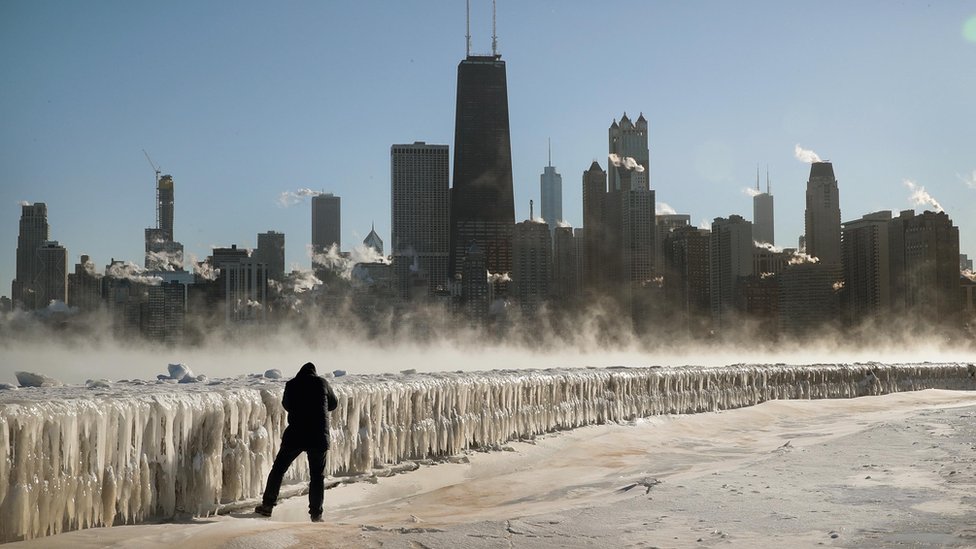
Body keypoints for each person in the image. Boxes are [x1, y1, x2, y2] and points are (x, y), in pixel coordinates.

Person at [255, 362, 339, 522]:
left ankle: (267, 505)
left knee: (278, 469)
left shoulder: (292, 384)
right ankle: (316, 514)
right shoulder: (322, 383)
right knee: (317, 476)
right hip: (318, 436)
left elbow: (286, 405)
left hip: (296, 434)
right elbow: (333, 404)